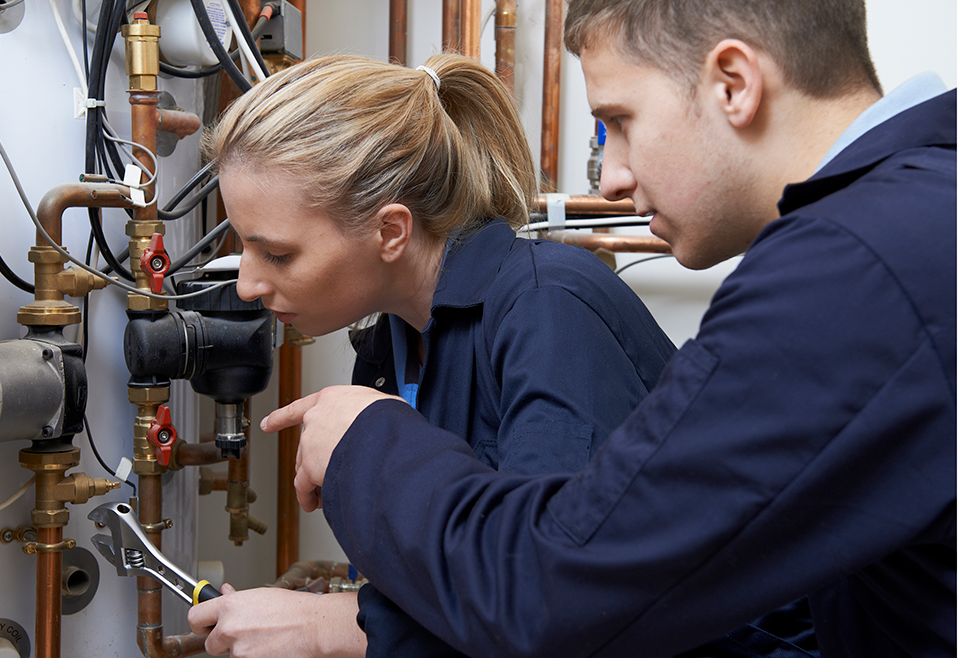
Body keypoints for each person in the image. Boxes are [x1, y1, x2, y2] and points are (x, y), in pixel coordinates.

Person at [262, 1, 957, 656]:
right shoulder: (930, 212)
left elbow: (548, 596)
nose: (614, 178)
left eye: (619, 122)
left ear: (734, 84)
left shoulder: (850, 269)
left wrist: (365, 439)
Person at [186, 52, 680, 657]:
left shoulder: (548, 308)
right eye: (245, 247)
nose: (247, 286)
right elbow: (444, 587)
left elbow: (559, 606)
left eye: (279, 254)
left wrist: (331, 630)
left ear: (391, 231)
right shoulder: (392, 347)